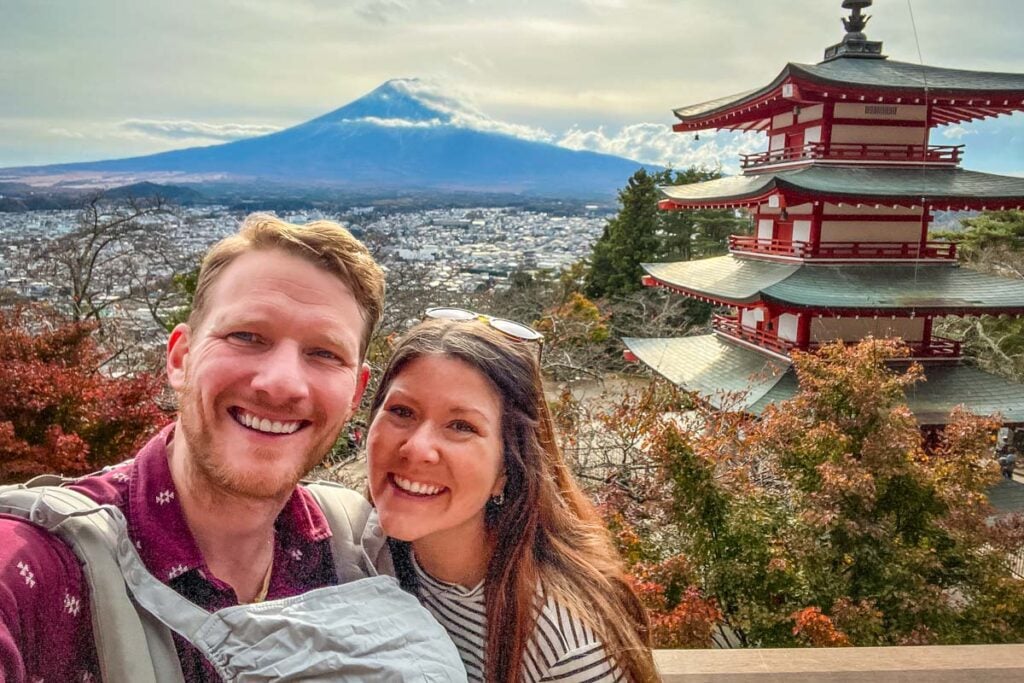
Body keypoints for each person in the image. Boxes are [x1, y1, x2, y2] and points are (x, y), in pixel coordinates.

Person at [0, 214, 464, 682]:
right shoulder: (39, 568)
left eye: (325, 353)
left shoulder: (356, 547)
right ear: (181, 357)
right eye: (246, 336)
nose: (281, 383)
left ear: (356, 394)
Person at [366, 311, 658, 682]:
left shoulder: (562, 645)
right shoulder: (361, 549)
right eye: (402, 411)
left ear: (506, 469)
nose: (417, 447)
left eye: (461, 426)